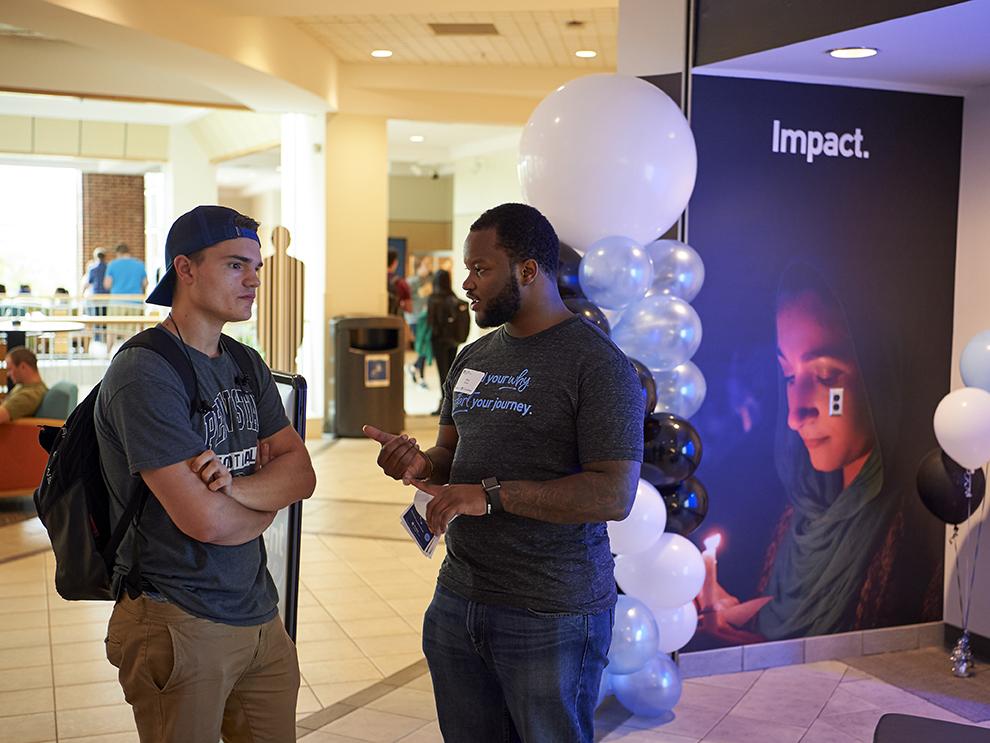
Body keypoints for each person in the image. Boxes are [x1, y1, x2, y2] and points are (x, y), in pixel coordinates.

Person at [363, 202, 644, 742]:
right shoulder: (473, 358)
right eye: (468, 269)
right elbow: (450, 458)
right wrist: (417, 463)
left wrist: (490, 496)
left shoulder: (598, 365)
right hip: (459, 600)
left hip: (552, 614)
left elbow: (614, 493)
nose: (467, 283)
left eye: (481, 269)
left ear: (529, 271)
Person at [94, 205, 316, 743]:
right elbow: (205, 520)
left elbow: (302, 473)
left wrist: (237, 489)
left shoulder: (245, 362)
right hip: (178, 619)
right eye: (236, 265)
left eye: (256, 268)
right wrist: (266, 502)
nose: (254, 280)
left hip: (259, 612)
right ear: (185, 270)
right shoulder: (146, 371)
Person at [698, 264, 917, 644]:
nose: (796, 415)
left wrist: (737, 645)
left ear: (881, 377)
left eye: (828, 376)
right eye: (788, 376)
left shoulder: (912, 538)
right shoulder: (794, 509)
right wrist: (734, 621)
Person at [426, 268, 460, 415]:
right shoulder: (453, 297)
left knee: (442, 373)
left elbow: (431, 322)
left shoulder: (433, 298)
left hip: (439, 341)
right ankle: (452, 402)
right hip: (453, 341)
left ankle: (445, 404)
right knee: (451, 372)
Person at [405, 256, 433, 386]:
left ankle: (414, 368)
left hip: (426, 317)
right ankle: (420, 376)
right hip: (415, 319)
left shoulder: (429, 279)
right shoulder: (411, 282)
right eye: (425, 265)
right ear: (418, 267)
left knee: (425, 346)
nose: (428, 268)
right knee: (423, 347)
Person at [0, 346, 47, 423]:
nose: (8, 374)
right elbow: (8, 404)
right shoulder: (24, 386)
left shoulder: (29, 395)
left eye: (10, 369)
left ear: (23, 366)